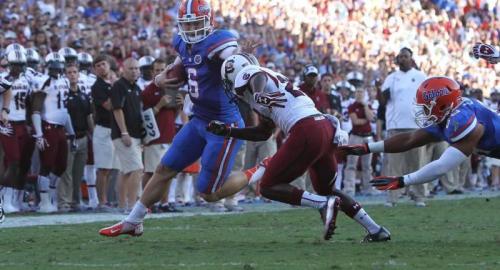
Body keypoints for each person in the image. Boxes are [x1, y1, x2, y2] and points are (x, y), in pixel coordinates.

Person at [99, 0, 259, 237]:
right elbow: (179, 68)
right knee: (164, 168)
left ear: (209, 21)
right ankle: (133, 221)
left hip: (224, 126)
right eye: (188, 24)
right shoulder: (184, 44)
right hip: (198, 120)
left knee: (208, 192)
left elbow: (232, 57)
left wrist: (240, 56)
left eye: (197, 23)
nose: (192, 29)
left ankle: (259, 172)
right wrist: (159, 80)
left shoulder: (219, 42)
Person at [209, 55, 390, 241]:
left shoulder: (253, 76)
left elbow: (256, 77)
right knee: (328, 189)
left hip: (306, 129)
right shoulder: (267, 87)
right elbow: (263, 132)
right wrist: (229, 132)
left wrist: (258, 94)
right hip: (323, 128)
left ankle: (322, 204)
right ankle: (375, 230)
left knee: (268, 186)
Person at [339, 77, 500, 195]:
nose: (423, 111)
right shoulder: (450, 114)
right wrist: (367, 148)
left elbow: (442, 166)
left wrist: (403, 181)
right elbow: (411, 139)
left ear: (443, 104)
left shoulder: (463, 121)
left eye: (426, 107)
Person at [379, 47, 427, 207]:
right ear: (397, 60)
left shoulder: (420, 76)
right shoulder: (391, 78)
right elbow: (383, 101)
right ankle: (392, 197)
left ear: (412, 59)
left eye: (406, 56)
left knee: (417, 164)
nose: (403, 59)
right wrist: (378, 88)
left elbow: (428, 99)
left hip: (416, 126)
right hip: (395, 125)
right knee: (394, 164)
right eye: (400, 57)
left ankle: (419, 196)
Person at [31, 52, 75, 213]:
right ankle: (43, 201)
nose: (56, 70)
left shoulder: (64, 81)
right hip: (48, 127)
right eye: (53, 67)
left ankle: (50, 196)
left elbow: (65, 110)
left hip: (61, 128)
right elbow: (36, 109)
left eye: (58, 67)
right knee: (46, 164)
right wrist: (39, 134)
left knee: (61, 165)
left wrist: (72, 133)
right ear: (48, 66)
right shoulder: (43, 81)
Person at [110, 58, 144, 213]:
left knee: (125, 171)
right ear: (123, 69)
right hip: (124, 134)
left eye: (137, 68)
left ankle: (122, 205)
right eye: (131, 68)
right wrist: (124, 132)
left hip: (135, 134)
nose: (135, 71)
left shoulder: (136, 87)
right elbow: (117, 109)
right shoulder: (119, 86)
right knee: (137, 169)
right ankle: (132, 205)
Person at [59, 63, 93, 212]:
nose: (72, 75)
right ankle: (64, 202)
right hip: (68, 138)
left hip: (83, 137)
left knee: (78, 172)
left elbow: (89, 117)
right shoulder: (62, 96)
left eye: (74, 72)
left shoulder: (84, 96)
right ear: (64, 75)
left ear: (79, 75)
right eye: (69, 72)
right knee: (66, 171)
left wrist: (92, 134)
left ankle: (75, 200)